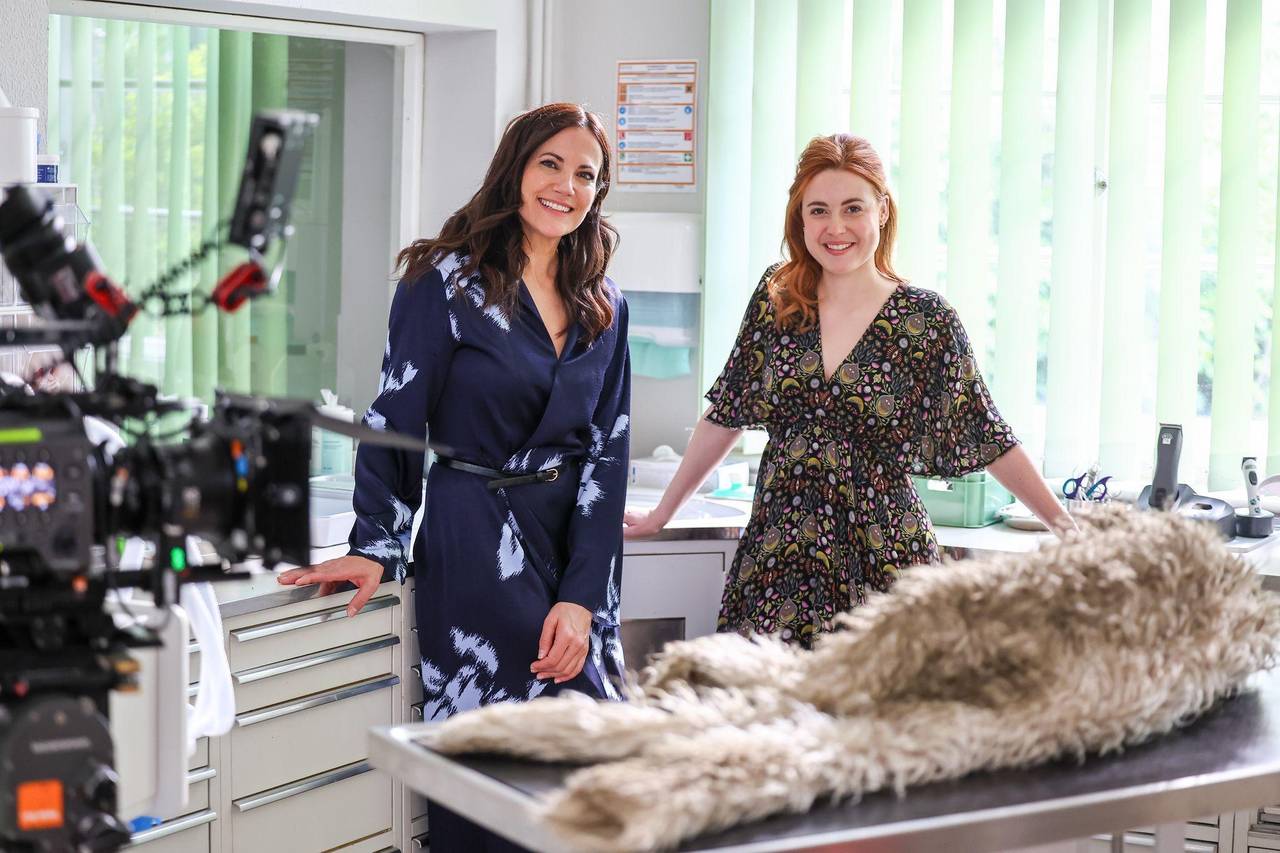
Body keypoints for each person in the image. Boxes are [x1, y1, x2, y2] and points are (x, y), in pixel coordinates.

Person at [278, 103, 630, 851]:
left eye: (586, 175)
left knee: (596, 769)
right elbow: (395, 416)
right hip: (475, 542)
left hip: (572, 551)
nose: (566, 186)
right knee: (490, 765)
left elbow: (609, 451)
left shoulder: (604, 303)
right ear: (516, 168)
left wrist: (583, 596)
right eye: (551, 164)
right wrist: (375, 545)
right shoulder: (444, 281)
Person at [624, 133, 1070, 648]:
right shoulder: (778, 298)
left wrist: (1066, 529)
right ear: (801, 220)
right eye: (819, 211)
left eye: (853, 208)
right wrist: (663, 513)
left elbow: (987, 435)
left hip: (884, 554)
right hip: (779, 553)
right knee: (763, 694)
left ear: (882, 210)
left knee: (882, 696)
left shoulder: (926, 320)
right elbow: (727, 411)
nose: (835, 228)